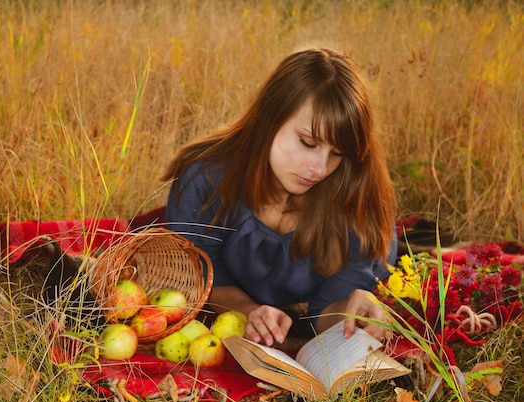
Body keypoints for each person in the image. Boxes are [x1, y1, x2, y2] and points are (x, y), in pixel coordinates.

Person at [161, 48, 397, 347]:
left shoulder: (358, 200)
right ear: (270, 120)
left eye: (337, 153)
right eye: (307, 142)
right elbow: (206, 275)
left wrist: (354, 310)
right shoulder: (205, 181)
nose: (320, 168)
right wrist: (249, 312)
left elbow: (321, 316)